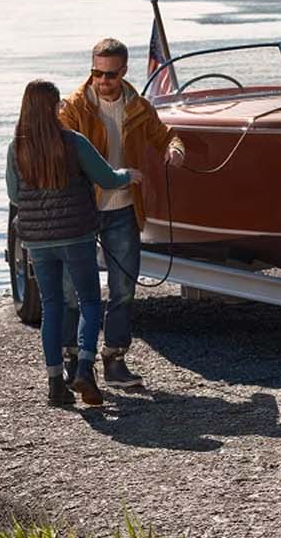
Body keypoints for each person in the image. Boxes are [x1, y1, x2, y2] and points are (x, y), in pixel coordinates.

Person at [55, 38, 187, 389]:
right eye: (96, 72)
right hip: (82, 211)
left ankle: (114, 360)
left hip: (124, 209)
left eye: (110, 74)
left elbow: (166, 136)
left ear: (123, 71)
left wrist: (175, 150)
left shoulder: (139, 107)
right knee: (71, 291)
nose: (102, 80)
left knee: (124, 289)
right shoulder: (72, 107)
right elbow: (59, 151)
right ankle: (72, 361)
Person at [7, 80, 141, 406]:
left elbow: (13, 194)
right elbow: (107, 178)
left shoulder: (16, 147)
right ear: (52, 108)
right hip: (76, 236)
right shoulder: (73, 142)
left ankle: (55, 384)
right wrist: (130, 175)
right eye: (59, 104)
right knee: (89, 302)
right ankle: (84, 366)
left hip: (37, 242)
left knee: (52, 307)